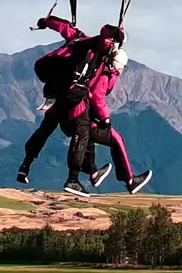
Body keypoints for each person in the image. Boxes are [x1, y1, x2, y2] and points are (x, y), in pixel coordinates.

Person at [61, 25, 152, 198]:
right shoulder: (105, 73)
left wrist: (118, 39)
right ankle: (129, 181)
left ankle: (95, 173)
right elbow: (97, 96)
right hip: (84, 115)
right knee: (116, 139)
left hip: (80, 115)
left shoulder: (100, 66)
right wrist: (106, 119)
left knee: (88, 139)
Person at [15, 12, 95, 187]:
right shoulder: (93, 46)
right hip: (66, 93)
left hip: (50, 79)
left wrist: (45, 22)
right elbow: (102, 38)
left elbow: (62, 26)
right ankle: (75, 178)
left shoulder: (76, 36)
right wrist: (116, 34)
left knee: (45, 129)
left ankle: (25, 165)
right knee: (82, 132)